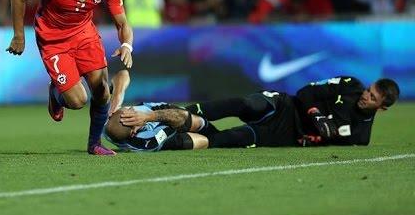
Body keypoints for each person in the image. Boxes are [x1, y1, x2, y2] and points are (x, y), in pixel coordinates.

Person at [6, 0, 134, 156]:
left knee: (102, 90)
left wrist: (126, 45)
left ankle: (94, 144)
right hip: (53, 39)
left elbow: (122, 23)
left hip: (84, 34)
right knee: (77, 101)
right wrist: (18, 36)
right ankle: (55, 93)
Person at [105, 71, 400, 151]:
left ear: (382, 107)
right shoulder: (350, 85)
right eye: (369, 90)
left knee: (233, 138)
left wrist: (317, 138)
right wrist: (316, 115)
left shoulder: (361, 136)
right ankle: (182, 113)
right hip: (287, 106)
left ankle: (185, 130)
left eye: (372, 97)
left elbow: (333, 140)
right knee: (248, 104)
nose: (365, 95)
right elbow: (306, 92)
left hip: (286, 133)